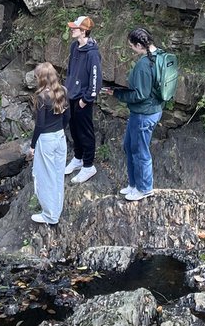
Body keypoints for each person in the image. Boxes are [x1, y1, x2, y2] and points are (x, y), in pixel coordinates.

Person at [110, 25, 164, 202]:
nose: (131, 49)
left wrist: (116, 93)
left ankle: (144, 188)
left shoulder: (143, 64)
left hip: (144, 114)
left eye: (132, 46)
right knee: (129, 146)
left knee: (140, 151)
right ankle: (133, 184)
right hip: (153, 110)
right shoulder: (161, 56)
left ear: (140, 45)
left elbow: (139, 95)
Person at [26, 62, 69, 225]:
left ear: (42, 78)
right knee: (58, 176)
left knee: (45, 177)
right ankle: (56, 211)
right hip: (60, 137)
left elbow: (40, 125)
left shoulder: (42, 97)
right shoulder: (63, 91)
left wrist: (32, 146)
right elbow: (67, 117)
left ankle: (49, 215)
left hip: (46, 140)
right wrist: (60, 130)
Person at [64, 15, 102, 183]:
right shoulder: (74, 47)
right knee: (73, 129)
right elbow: (71, 71)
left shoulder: (92, 54)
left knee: (85, 132)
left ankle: (88, 166)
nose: (72, 29)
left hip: (82, 99)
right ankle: (78, 158)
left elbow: (96, 80)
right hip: (71, 96)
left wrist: (86, 99)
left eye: (75, 28)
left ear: (84, 30)